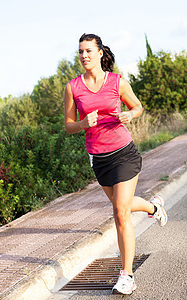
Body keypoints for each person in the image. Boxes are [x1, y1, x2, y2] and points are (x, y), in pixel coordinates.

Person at [64, 33, 167, 295]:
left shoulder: (117, 82)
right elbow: (68, 126)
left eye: (88, 51)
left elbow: (138, 107)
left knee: (120, 212)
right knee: (121, 205)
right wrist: (83, 123)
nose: (84, 56)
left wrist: (130, 114)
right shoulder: (73, 87)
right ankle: (154, 207)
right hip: (99, 159)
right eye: (80, 52)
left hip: (124, 153)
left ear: (100, 53)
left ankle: (127, 275)